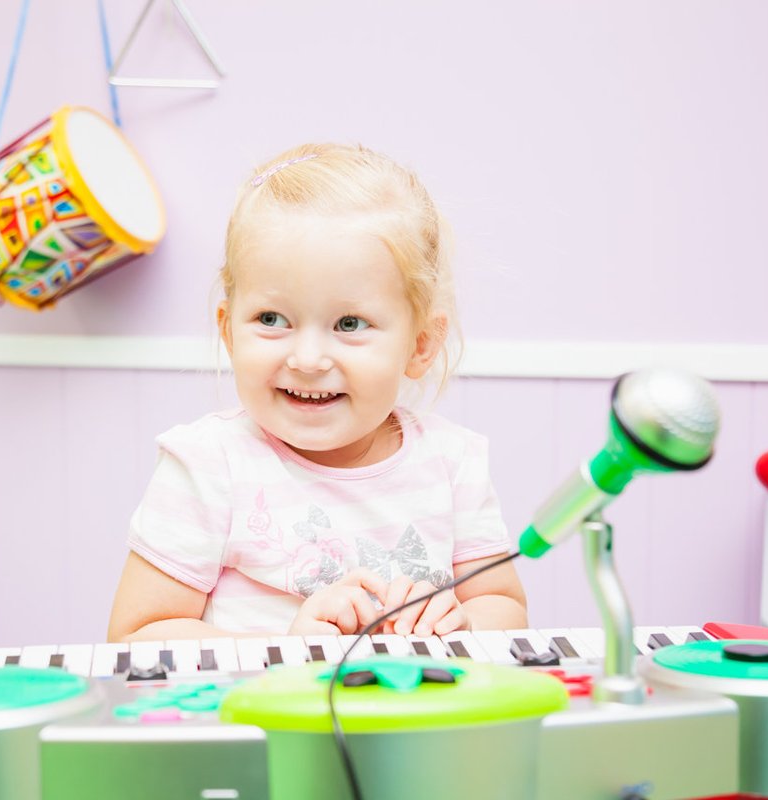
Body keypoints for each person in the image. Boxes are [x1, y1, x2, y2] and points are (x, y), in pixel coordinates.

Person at [107, 143, 527, 642]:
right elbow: (136, 636)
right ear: (228, 331)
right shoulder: (208, 466)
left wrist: (464, 622)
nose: (307, 360)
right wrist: (287, 649)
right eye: (271, 319)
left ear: (420, 344)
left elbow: (504, 606)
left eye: (349, 324)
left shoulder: (452, 463)